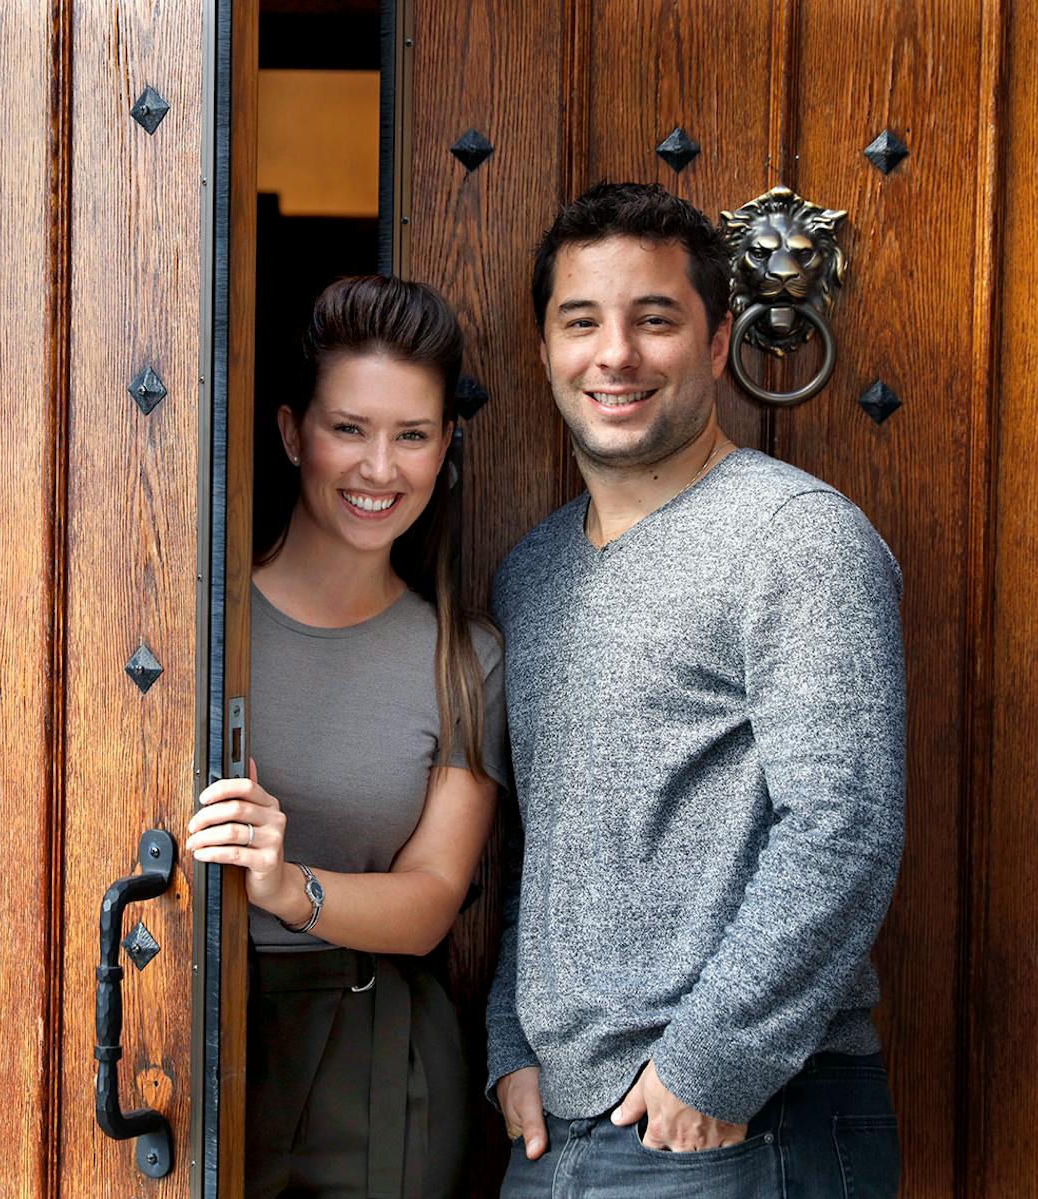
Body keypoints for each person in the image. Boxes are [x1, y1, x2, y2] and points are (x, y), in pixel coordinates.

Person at [488, 183, 905, 1198]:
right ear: (545, 350)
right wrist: (511, 1036)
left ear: (716, 344)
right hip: (559, 1138)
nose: (614, 353)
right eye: (579, 321)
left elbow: (842, 824)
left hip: (739, 1125)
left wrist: (707, 1066)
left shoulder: (793, 538)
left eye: (654, 319)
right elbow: (543, 842)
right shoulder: (529, 574)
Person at [186, 275, 508, 1198]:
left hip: (377, 1054)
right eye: (349, 429)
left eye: (412, 435)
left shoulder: (465, 658)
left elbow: (432, 899)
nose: (379, 469)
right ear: (293, 433)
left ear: (445, 444)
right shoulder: (191, 629)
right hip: (185, 1017)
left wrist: (290, 888)